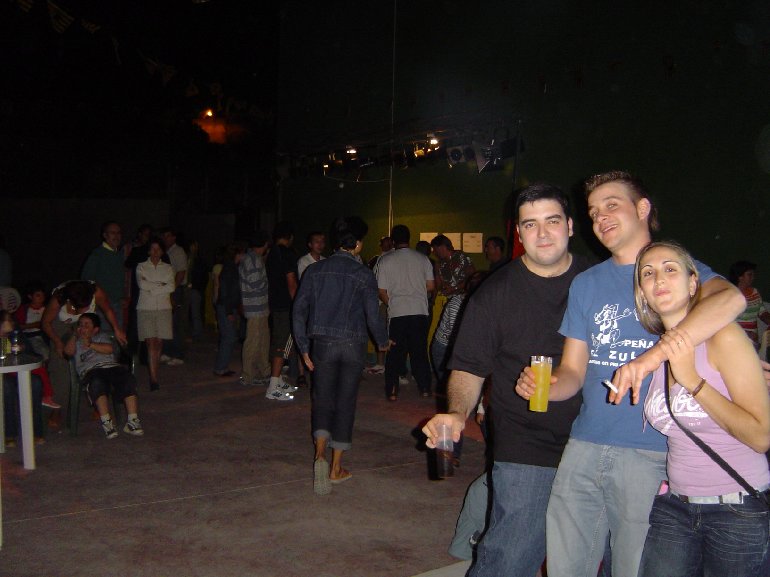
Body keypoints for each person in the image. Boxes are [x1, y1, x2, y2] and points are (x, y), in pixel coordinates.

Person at [515, 170, 745, 577]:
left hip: (653, 450)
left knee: (634, 568)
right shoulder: (586, 284)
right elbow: (573, 371)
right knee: (566, 567)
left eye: (611, 205)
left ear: (642, 208)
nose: (600, 217)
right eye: (592, 212)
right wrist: (546, 388)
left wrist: (652, 358)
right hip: (584, 444)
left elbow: (731, 299)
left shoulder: (673, 272)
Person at [422, 183, 592, 576]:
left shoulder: (597, 281)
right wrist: (457, 413)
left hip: (595, 438)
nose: (542, 233)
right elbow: (468, 368)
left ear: (570, 225)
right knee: (511, 554)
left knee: (595, 555)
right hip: (525, 439)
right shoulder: (495, 293)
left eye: (552, 221)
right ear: (518, 232)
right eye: (530, 224)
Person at [633, 241, 770, 577]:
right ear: (642, 294)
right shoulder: (657, 354)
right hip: (675, 506)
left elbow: (761, 437)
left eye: (670, 269)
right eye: (648, 274)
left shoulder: (724, 337)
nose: (658, 279)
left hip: (735, 508)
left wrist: (693, 381)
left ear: (693, 283)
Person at [292, 216, 390, 495]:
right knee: (345, 403)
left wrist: (303, 347)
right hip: (352, 346)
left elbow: (298, 310)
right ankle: (335, 468)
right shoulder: (363, 274)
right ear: (357, 244)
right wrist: (382, 342)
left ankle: (319, 455)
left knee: (322, 399)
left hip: (322, 345)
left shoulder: (314, 271)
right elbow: (372, 315)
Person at [41, 279, 128, 428]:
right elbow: (45, 323)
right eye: (81, 307)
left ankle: (99, 405)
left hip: (85, 322)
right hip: (60, 325)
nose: (85, 308)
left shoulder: (96, 291)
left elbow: (107, 310)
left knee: (94, 356)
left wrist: (117, 329)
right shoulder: (59, 298)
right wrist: (58, 342)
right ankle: (57, 408)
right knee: (61, 365)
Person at [376, 224, 435, 400]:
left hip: (397, 313)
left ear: (393, 241)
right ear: (409, 238)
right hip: (419, 311)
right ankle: (425, 388)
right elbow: (431, 286)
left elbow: (381, 291)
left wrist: (393, 303)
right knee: (419, 351)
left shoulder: (385, 260)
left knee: (395, 353)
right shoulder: (423, 259)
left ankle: (392, 391)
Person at [65, 313, 144, 439]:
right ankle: (107, 422)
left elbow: (109, 349)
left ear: (95, 329)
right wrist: (74, 336)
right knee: (97, 383)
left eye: (86, 325)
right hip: (91, 370)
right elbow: (68, 352)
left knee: (127, 379)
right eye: (80, 324)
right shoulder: (76, 341)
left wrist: (90, 344)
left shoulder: (102, 336)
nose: (82, 327)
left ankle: (133, 421)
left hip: (111, 366)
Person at [265, 221, 300, 401]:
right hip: (286, 306)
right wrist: (298, 306)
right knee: (283, 344)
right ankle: (272, 387)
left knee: (278, 341)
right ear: (290, 237)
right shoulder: (287, 254)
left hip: (275, 303)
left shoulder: (271, 253)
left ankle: (277, 380)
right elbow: (291, 282)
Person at [136, 237, 175, 391]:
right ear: (148, 250)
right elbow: (142, 284)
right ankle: (153, 378)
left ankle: (154, 373)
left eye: (158, 249)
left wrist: (152, 287)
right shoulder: (141, 267)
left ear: (162, 251)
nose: (155, 252)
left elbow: (171, 287)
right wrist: (160, 285)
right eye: (153, 249)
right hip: (146, 308)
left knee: (159, 342)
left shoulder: (168, 268)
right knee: (150, 342)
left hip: (164, 308)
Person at [1, 310, 44, 446]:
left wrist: (22, 348)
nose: (12, 323)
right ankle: (9, 433)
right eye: (8, 320)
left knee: (35, 382)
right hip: (4, 375)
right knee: (6, 386)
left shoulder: (15, 334)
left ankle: (35, 431)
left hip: (14, 371)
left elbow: (32, 354)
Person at [81, 221, 126, 332]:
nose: (116, 236)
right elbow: (87, 279)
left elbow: (119, 279)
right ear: (105, 235)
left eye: (118, 233)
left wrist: (122, 296)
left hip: (117, 304)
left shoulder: (119, 254)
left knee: (116, 336)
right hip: (101, 306)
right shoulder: (97, 254)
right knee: (104, 336)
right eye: (112, 233)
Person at [239, 232, 271, 387]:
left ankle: (264, 372)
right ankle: (248, 376)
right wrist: (267, 282)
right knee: (253, 342)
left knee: (262, 341)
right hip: (255, 308)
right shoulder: (253, 259)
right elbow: (255, 283)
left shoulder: (251, 258)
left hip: (259, 307)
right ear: (264, 244)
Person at [213, 242, 244, 377]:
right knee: (229, 337)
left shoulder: (232, 267)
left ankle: (223, 366)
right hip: (226, 307)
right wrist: (229, 311)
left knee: (229, 336)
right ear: (237, 254)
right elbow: (225, 291)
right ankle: (220, 367)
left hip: (228, 306)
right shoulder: (230, 268)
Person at [729, 260, 770, 350]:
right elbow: (725, 321)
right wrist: (745, 333)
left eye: (753, 274)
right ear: (740, 277)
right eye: (749, 274)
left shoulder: (755, 292)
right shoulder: (730, 294)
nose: (753, 277)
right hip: (735, 339)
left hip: (753, 341)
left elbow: (762, 312)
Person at [160, 227, 187, 365]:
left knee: (175, 323)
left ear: (174, 237)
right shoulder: (165, 251)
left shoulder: (178, 251)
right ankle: (167, 351)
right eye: (164, 236)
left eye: (168, 236)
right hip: (167, 289)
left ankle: (178, 354)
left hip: (176, 290)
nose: (165, 238)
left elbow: (181, 273)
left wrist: (172, 289)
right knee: (166, 322)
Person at [186, 240, 208, 342]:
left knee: (195, 312)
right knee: (187, 313)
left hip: (195, 289)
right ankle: (190, 332)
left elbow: (203, 277)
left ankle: (197, 333)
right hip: (187, 288)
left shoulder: (199, 261)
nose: (192, 249)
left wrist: (197, 287)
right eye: (191, 246)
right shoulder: (187, 258)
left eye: (194, 247)